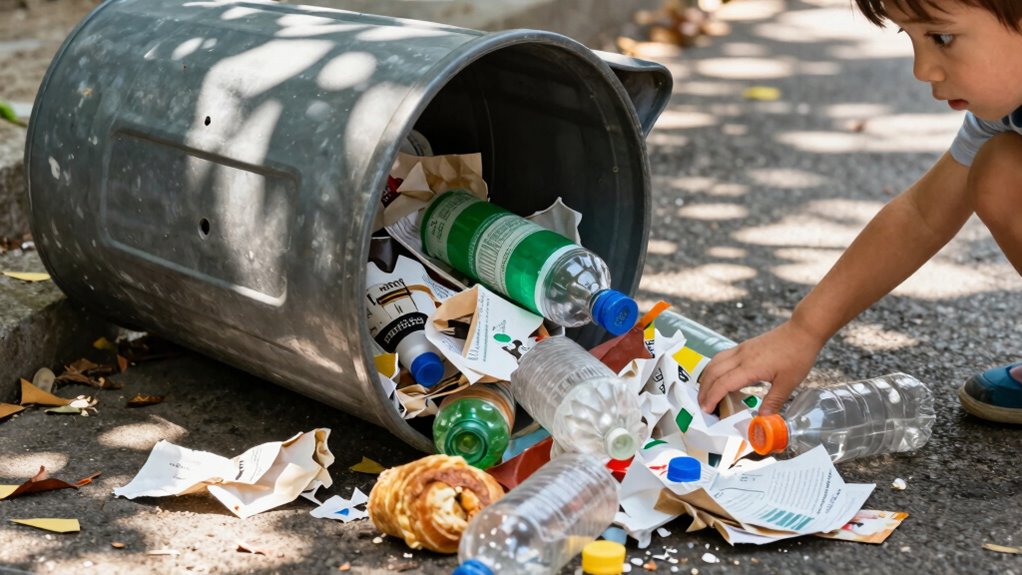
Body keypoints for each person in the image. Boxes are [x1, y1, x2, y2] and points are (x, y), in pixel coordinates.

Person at [697, 0, 1022, 423]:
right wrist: (804, 331)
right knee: (1001, 173)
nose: (922, 70)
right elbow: (923, 215)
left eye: (942, 37)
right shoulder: (1003, 111)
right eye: (912, 37)